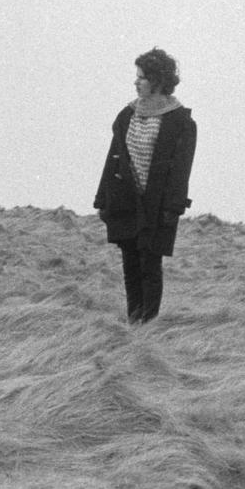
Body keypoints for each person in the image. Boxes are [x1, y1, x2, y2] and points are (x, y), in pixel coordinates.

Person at [94, 48, 195, 324]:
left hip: (156, 206)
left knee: (150, 265)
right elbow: (113, 159)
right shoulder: (126, 115)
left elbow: (180, 172)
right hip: (125, 201)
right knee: (129, 263)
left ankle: (147, 328)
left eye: (142, 78)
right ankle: (132, 322)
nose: (136, 83)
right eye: (136, 77)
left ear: (158, 81)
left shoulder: (180, 122)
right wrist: (102, 200)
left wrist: (172, 209)